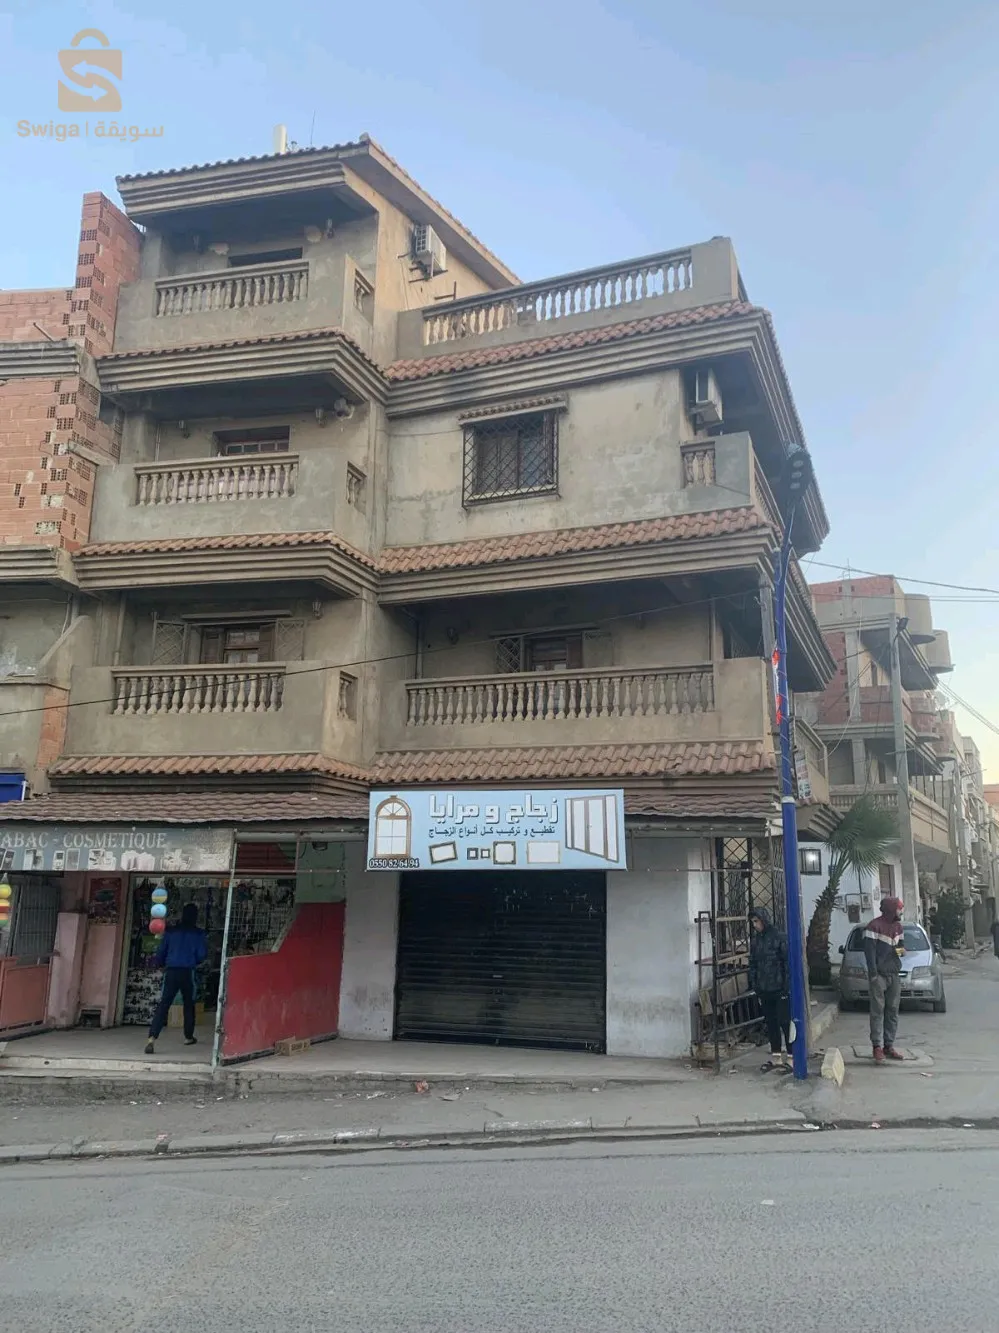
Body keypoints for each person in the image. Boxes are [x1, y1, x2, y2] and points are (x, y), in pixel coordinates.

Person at [145, 903, 207, 1055]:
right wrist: (193, 960)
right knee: (189, 1004)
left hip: (171, 971)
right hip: (187, 971)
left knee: (164, 1003)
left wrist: (161, 963)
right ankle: (188, 1036)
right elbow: (201, 955)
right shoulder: (198, 934)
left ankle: (152, 1038)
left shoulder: (171, 932)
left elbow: (161, 952)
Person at [748, 906, 792, 1073]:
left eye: (756, 921)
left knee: (785, 1023)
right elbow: (753, 963)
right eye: (752, 922)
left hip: (780, 989)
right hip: (764, 989)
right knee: (771, 1024)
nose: (754, 925)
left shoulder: (779, 937)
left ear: (763, 920)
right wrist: (755, 985)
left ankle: (791, 1057)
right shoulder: (756, 941)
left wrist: (786, 986)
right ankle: (776, 1057)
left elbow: (786, 963)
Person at [863, 896, 905, 1063]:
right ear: (891, 909)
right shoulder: (874, 926)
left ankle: (889, 1045)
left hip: (894, 974)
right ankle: (877, 1046)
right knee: (877, 1011)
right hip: (879, 975)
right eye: (899, 908)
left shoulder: (898, 927)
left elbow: (901, 948)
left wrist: (900, 952)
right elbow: (869, 953)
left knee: (892, 1010)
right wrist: (873, 975)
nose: (901, 911)